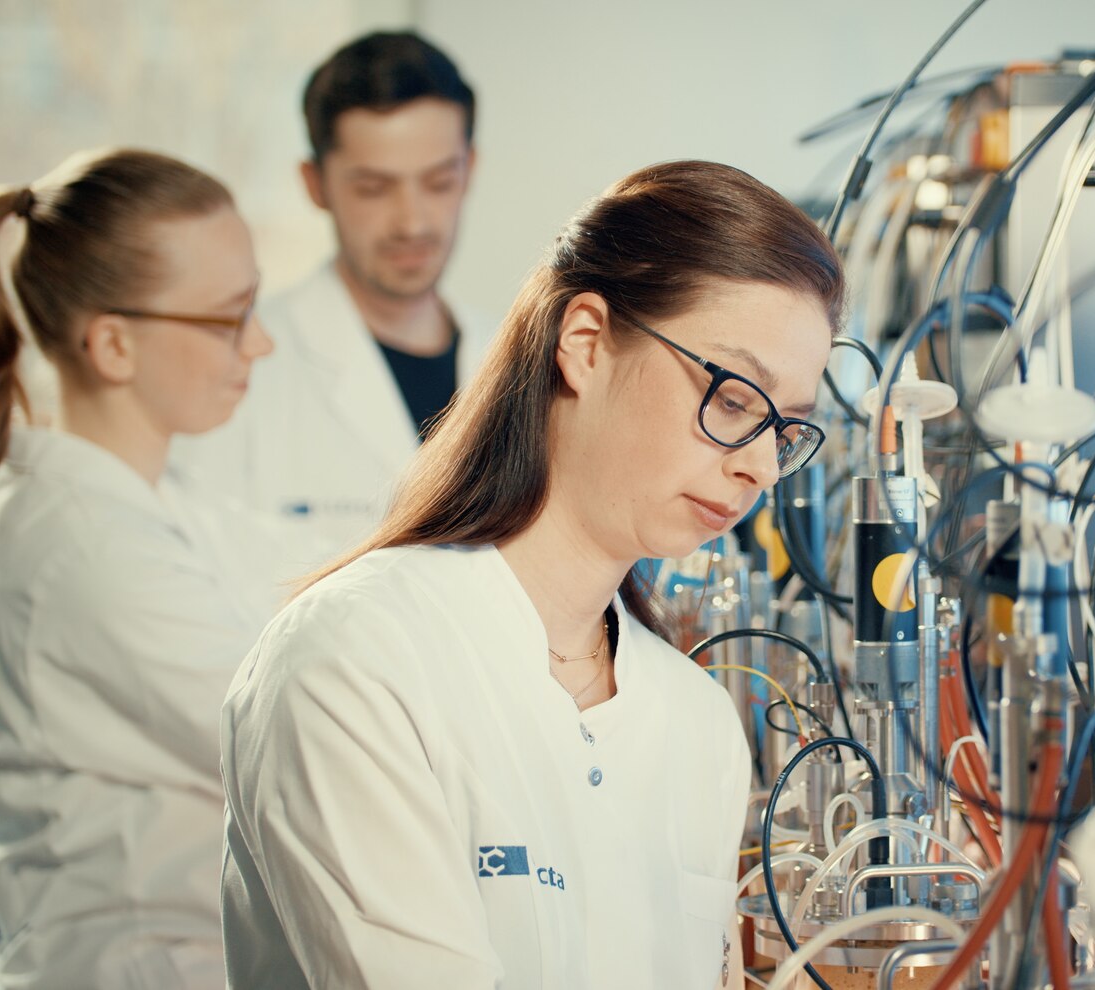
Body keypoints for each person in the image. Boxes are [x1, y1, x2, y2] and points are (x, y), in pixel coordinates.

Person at [219, 160, 842, 989]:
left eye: (786, 429)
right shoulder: (353, 661)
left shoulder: (694, 722)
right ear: (585, 344)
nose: (762, 467)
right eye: (734, 400)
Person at [0, 149, 279, 988]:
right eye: (227, 318)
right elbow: (291, 737)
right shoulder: (86, 550)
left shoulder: (163, 509)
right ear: (114, 344)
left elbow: (334, 595)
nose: (260, 343)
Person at [174, 30, 491, 554]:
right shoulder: (239, 373)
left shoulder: (523, 367)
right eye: (373, 188)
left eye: (438, 182)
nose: (412, 222)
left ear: (469, 169)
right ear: (314, 183)